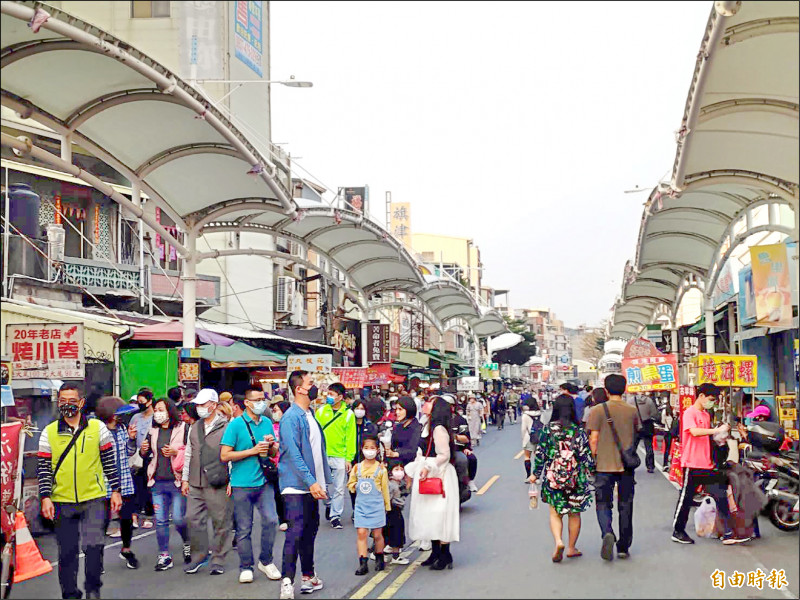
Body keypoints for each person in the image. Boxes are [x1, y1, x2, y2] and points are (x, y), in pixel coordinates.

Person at [38, 382, 121, 599]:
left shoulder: (98, 428)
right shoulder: (49, 433)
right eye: (62, 401)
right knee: (67, 552)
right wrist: (45, 497)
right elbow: (44, 469)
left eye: (72, 401)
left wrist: (115, 490)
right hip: (61, 501)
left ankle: (93, 589)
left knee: (94, 546)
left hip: (94, 498)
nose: (67, 405)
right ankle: (70, 594)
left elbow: (109, 462)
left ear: (82, 403)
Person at [220, 385, 282, 584]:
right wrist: (252, 450)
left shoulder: (266, 422)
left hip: (263, 482)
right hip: (241, 483)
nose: (260, 403)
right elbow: (224, 455)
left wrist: (272, 446)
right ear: (246, 403)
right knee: (244, 528)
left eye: (262, 399)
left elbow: (272, 454)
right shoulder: (235, 425)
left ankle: (266, 560)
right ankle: (246, 566)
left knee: (272, 520)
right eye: (256, 400)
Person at [670, 383, 746, 545]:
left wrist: (720, 439)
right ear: (701, 396)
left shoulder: (706, 415)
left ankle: (727, 532)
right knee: (686, 498)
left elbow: (707, 437)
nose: (712, 402)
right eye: (711, 399)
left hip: (706, 463)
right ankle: (678, 530)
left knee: (720, 493)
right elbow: (694, 432)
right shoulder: (689, 413)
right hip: (692, 463)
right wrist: (716, 431)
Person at [279, 370, 331, 600]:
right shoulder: (291, 417)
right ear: (299, 389)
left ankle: (308, 576)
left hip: (312, 486)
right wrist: (311, 482)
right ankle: (287, 581)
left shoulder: (310, 414)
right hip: (295, 486)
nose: (315, 386)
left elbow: (318, 453)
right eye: (311, 383)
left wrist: (321, 481)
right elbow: (294, 454)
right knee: (295, 532)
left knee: (310, 531)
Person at [530, 394, 594, 563]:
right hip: (576, 478)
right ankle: (572, 548)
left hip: (554, 478)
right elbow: (585, 456)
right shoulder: (578, 431)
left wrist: (535, 474)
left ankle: (558, 541)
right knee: (574, 514)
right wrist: (592, 472)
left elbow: (540, 454)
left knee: (555, 513)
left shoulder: (548, 430)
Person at [586, 374, 639, 561]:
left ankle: (607, 532)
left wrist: (593, 459)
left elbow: (593, 439)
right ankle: (623, 546)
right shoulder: (632, 410)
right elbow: (635, 434)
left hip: (603, 466)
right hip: (626, 466)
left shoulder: (597, 410)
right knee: (625, 505)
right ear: (624, 389)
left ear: (606, 390)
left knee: (603, 503)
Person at [181, 388, 233, 575]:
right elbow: (188, 453)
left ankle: (218, 559)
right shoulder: (194, 427)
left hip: (217, 480)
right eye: (198, 405)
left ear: (213, 405)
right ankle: (199, 556)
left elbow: (231, 456)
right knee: (192, 519)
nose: (200, 408)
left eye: (203, 404)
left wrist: (231, 481)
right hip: (195, 481)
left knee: (221, 521)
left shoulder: (227, 427)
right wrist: (185, 479)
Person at [405, 396, 460, 571]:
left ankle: (445, 554)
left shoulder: (439, 429)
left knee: (439, 514)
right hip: (428, 472)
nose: (425, 403)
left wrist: (428, 467)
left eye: (430, 402)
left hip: (439, 475)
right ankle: (436, 552)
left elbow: (444, 455)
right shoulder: (427, 425)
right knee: (430, 514)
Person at [142, 397, 191, 571]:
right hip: (157, 481)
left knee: (178, 518)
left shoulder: (183, 428)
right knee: (161, 520)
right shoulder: (153, 430)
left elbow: (191, 451)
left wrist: (175, 451)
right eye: (156, 410)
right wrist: (143, 449)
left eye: (161, 409)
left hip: (177, 481)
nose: (158, 413)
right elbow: (145, 455)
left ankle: (187, 542)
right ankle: (164, 555)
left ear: (169, 410)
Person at [95, 396, 139, 570]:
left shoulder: (122, 429)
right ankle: (96, 558)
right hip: (104, 484)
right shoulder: (97, 431)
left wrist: (131, 438)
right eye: (119, 413)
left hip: (125, 481)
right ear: (111, 414)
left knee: (127, 518)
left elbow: (128, 452)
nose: (122, 416)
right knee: (102, 521)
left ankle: (126, 549)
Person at [315, 382, 355, 530]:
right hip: (322, 454)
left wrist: (349, 458)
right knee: (321, 486)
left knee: (339, 488)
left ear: (340, 397)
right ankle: (329, 504)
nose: (328, 397)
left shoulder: (348, 414)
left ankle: (335, 516)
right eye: (328, 394)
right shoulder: (321, 412)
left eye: (332, 394)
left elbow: (350, 437)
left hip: (340, 456)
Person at [348, 436, 391, 575]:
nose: (369, 451)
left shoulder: (381, 469)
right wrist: (354, 486)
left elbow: (385, 489)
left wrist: (387, 507)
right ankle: (363, 562)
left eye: (372, 448)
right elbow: (350, 485)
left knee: (377, 534)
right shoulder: (357, 468)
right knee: (361, 533)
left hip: (376, 505)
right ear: (362, 450)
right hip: (361, 505)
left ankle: (379, 557)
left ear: (377, 450)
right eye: (366, 448)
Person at [128, 388, 155, 530]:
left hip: (152, 456)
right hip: (137, 455)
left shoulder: (156, 417)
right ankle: (135, 515)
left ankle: (149, 515)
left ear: (150, 401)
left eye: (142, 402)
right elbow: (131, 437)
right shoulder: (135, 417)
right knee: (137, 486)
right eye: (138, 402)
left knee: (148, 486)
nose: (140, 405)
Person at [385, 459, 410, 565]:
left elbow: (405, 493)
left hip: (398, 510)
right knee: (392, 533)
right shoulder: (390, 484)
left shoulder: (400, 483)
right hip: (392, 510)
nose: (399, 471)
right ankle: (392, 555)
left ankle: (394, 554)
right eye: (396, 469)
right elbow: (388, 498)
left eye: (401, 469)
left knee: (398, 533)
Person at [385, 397, 422, 466]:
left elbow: (413, 450)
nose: (397, 412)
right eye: (396, 409)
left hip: (411, 466)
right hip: (394, 465)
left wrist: (396, 454)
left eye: (400, 409)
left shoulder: (417, 428)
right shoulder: (398, 427)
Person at [271, 399, 291, 531]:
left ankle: (291, 517)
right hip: (274, 466)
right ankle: (282, 519)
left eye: (276, 410)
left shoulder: (290, 425)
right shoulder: (271, 427)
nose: (274, 413)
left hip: (289, 465)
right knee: (278, 494)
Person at [629, 393, 660, 473]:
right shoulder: (649, 401)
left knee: (633, 447)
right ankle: (650, 466)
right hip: (647, 426)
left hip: (635, 426)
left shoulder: (630, 401)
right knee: (649, 447)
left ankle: (630, 464)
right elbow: (654, 414)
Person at [521, 396, 542, 482]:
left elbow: (523, 429)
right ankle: (536, 477)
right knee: (537, 457)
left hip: (528, 437)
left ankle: (528, 476)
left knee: (527, 456)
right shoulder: (540, 413)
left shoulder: (525, 415)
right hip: (539, 437)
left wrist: (523, 439)